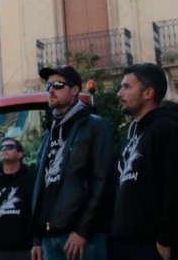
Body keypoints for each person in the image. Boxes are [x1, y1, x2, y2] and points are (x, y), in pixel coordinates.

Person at [112, 63, 178, 260]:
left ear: (148, 93)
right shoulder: (130, 132)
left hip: (153, 246)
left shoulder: (167, 129)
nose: (119, 93)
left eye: (127, 87)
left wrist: (165, 241)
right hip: (126, 245)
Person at [30, 65, 114, 260]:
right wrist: (37, 238)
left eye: (58, 85)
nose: (51, 89)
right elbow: (41, 185)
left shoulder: (95, 125)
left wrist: (83, 230)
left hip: (82, 238)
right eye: (48, 85)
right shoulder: (49, 134)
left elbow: (103, 180)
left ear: (75, 90)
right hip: (49, 238)